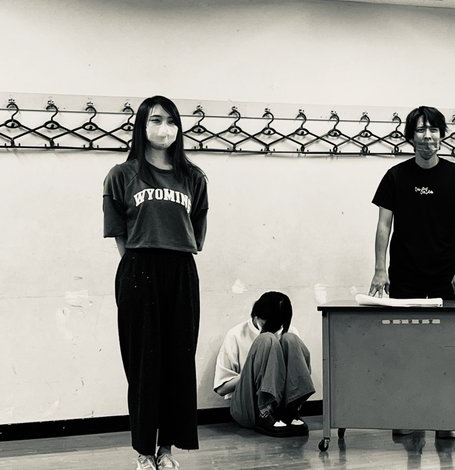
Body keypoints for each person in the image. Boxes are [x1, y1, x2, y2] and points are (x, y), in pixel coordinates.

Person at [103, 95, 208, 470]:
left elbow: (196, 230)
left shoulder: (193, 177)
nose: (165, 128)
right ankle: (144, 452)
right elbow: (119, 232)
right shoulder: (122, 174)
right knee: (144, 365)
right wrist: (137, 267)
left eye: (172, 121)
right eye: (157, 120)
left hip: (180, 270)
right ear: (142, 126)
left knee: (178, 363)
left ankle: (167, 450)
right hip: (138, 268)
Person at [369, 105, 455, 439]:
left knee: (447, 348)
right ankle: (409, 414)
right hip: (405, 276)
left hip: (446, 277)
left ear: (442, 135)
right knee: (406, 349)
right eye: (420, 130)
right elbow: (383, 226)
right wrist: (379, 270)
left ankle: (446, 417)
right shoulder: (395, 176)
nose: (427, 136)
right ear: (410, 136)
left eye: (433, 130)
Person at [213, 291, 315, 437]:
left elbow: (302, 374)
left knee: (290, 339)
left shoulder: (288, 331)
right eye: (269, 323)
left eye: (279, 325)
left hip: (282, 407)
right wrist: (253, 370)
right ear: (256, 315)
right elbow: (221, 389)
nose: (275, 329)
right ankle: (264, 411)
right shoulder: (236, 334)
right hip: (249, 407)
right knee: (267, 339)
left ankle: (291, 410)